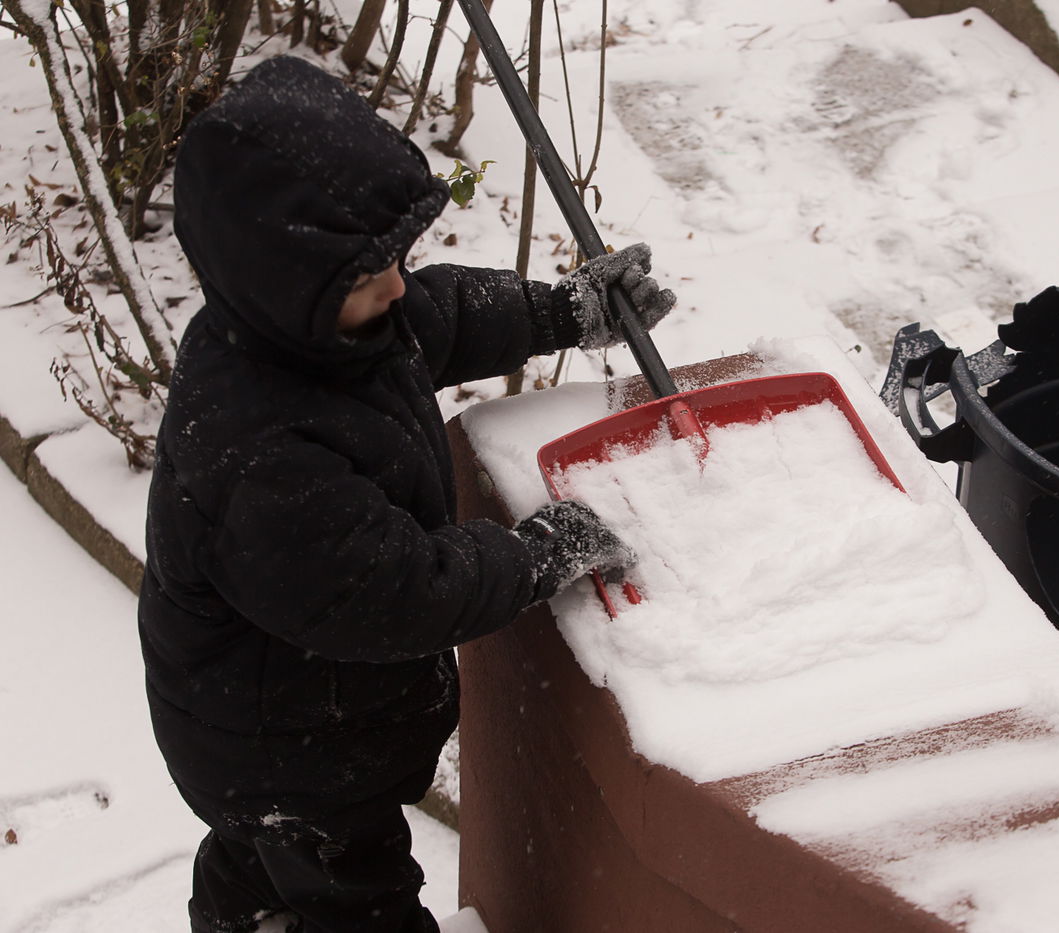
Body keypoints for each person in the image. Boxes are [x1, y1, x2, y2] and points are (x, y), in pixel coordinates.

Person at [137, 55, 673, 932]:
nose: (393, 285)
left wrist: (563, 314)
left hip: (267, 728)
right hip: (294, 759)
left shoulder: (308, 324)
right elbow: (405, 591)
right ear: (292, 286)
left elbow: (437, 316)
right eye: (364, 276)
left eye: (392, 258)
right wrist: (543, 551)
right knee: (356, 896)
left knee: (257, 855)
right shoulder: (263, 459)